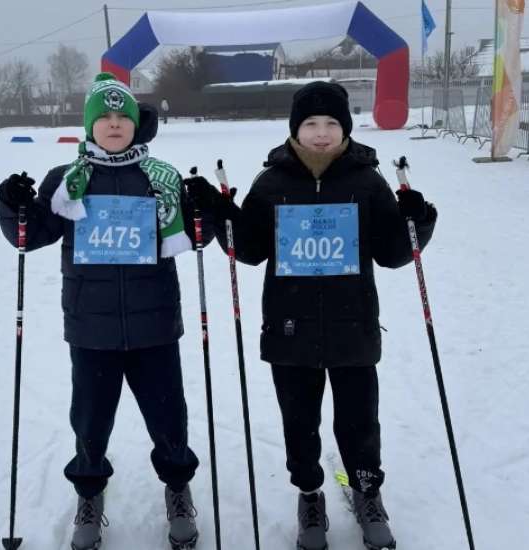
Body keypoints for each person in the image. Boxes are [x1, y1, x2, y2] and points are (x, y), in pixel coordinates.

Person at [186, 81, 437, 550]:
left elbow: (393, 253)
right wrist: (223, 213)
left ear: (344, 128)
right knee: (298, 419)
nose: (321, 134)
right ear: (295, 129)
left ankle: (366, 491)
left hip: (353, 327)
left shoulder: (366, 180)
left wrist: (417, 218)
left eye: (331, 124)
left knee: (359, 420)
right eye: (310, 124)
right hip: (290, 328)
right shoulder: (273, 182)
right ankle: (309, 493)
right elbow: (251, 249)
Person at [0, 73, 212, 550]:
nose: (114, 125)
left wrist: (205, 209)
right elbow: (28, 237)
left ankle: (177, 487)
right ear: (90, 125)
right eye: (104, 117)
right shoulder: (66, 180)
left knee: (169, 417)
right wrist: (13, 207)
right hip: (91, 329)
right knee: (90, 422)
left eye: (123, 117)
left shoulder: (160, 178)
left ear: (137, 124)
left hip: (154, 323)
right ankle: (89, 495)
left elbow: (194, 237)